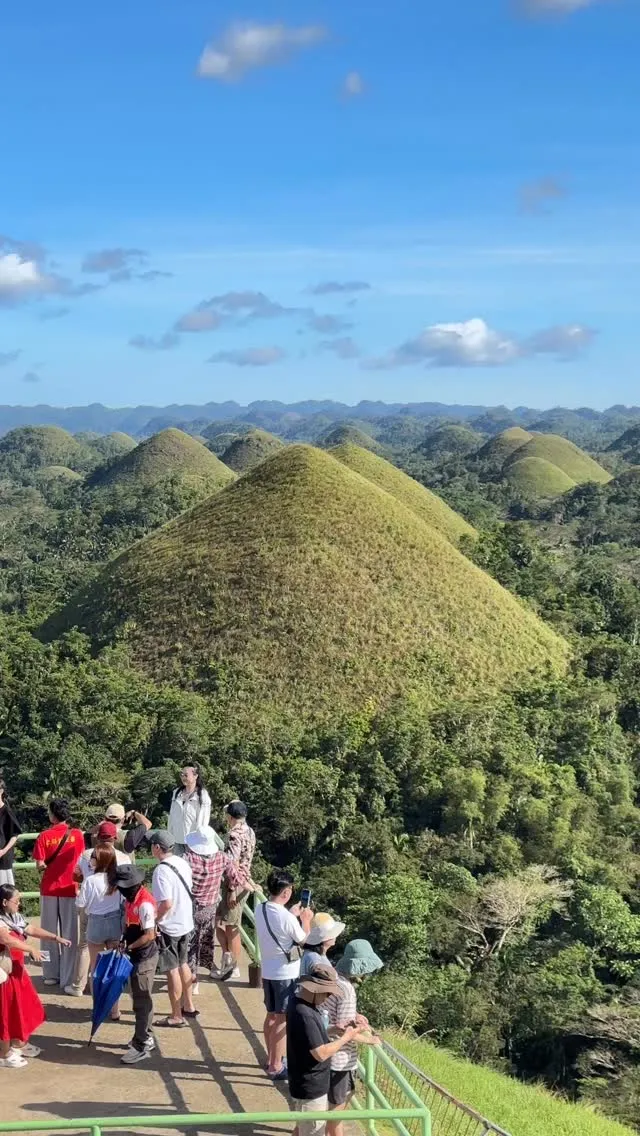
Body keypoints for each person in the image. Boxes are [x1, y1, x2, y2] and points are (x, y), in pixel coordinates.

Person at [287, 965, 378, 1136]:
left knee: (302, 1128)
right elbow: (320, 1053)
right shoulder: (306, 1014)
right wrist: (347, 1036)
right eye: (327, 993)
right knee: (313, 1131)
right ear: (316, 990)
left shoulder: (296, 1002)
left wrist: (334, 1029)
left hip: (302, 1081)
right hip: (311, 1087)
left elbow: (309, 1037)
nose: (328, 998)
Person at [0, 884, 72, 1068]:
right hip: (5, 976)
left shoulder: (13, 917)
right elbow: (5, 939)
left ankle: (19, 1043)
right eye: (16, 901)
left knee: (26, 1008)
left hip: (17, 972)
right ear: (4, 902)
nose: (19, 904)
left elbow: (30, 929)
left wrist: (56, 938)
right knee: (6, 1014)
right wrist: (30, 948)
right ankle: (4, 1053)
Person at [255, 869, 313, 1079]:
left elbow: (277, 924)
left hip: (268, 970)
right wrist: (305, 919)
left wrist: (292, 915)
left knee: (271, 1016)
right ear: (287, 892)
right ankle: (276, 1066)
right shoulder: (286, 917)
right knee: (282, 1020)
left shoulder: (260, 908)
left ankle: (271, 1057)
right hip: (285, 973)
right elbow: (303, 939)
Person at [66, 822, 132, 997]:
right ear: (115, 837)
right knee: (113, 955)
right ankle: (112, 999)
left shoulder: (88, 854)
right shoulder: (124, 857)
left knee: (84, 947)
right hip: (115, 912)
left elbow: (78, 875)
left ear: (97, 836)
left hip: (90, 906)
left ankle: (79, 985)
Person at [326, 940, 384, 1136]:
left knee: (324, 1114)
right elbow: (345, 1031)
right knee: (335, 1115)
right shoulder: (347, 990)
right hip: (340, 1060)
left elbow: (336, 1016)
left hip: (327, 1054)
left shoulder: (332, 977)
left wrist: (355, 1016)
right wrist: (370, 1040)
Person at [185, 826, 249, 990]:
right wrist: (246, 885)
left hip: (190, 907)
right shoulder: (222, 858)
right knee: (205, 941)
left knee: (190, 944)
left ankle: (193, 980)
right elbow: (235, 877)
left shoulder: (188, 858)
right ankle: (208, 970)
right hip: (209, 907)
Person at [32, 798, 84, 989]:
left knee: (47, 933)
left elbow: (39, 865)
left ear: (53, 815)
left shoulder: (44, 836)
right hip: (71, 888)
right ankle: (68, 975)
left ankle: (49, 974)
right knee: (70, 933)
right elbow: (80, 860)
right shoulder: (77, 835)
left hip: (49, 889)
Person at [113, 864, 159, 1065]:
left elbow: (150, 935)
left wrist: (129, 946)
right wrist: (124, 940)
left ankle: (140, 1045)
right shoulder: (130, 900)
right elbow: (128, 923)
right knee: (139, 997)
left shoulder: (145, 905)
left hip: (144, 957)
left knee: (142, 1000)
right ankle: (145, 1036)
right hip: (134, 954)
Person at [151, 830, 196, 1027]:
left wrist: (154, 920)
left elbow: (166, 903)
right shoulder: (182, 862)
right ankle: (189, 1006)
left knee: (172, 970)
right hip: (186, 921)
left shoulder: (161, 871)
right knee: (184, 963)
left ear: (157, 848)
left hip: (170, 926)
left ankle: (176, 1015)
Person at [76, 845, 124, 1020]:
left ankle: (99, 1007)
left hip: (95, 922)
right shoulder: (117, 879)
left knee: (96, 970)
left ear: (100, 860)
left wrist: (77, 893)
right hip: (115, 923)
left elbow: (81, 904)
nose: (91, 860)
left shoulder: (90, 880)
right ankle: (115, 1010)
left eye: (94, 856)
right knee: (114, 969)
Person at [215, 800, 256, 980]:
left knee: (232, 926)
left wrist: (231, 889)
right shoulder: (250, 831)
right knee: (220, 921)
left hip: (235, 883)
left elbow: (233, 863)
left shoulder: (233, 835)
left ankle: (234, 968)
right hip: (244, 879)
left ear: (230, 817)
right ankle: (228, 958)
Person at [168, 766, 211, 855]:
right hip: (177, 840)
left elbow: (203, 821)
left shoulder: (202, 795)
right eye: (182, 775)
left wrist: (199, 840)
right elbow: (171, 817)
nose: (183, 777)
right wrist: (170, 836)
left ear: (195, 776)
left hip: (194, 842)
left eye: (186, 775)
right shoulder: (176, 793)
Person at [300, 913, 346, 977]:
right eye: (333, 934)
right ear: (324, 939)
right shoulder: (316, 959)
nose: (335, 937)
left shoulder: (314, 954)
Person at [0, 779, 21, 887]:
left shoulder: (6, 811)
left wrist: (3, 851)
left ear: (1, 791)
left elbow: (15, 834)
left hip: (2, 861)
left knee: (5, 894)